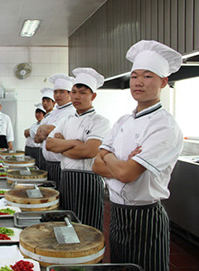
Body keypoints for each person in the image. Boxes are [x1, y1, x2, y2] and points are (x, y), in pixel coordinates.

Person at [92, 40, 183, 271]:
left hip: (145, 219)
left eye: (148, 76)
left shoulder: (165, 126)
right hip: (117, 214)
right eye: (134, 76)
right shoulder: (124, 120)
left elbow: (126, 174)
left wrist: (113, 161)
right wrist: (120, 164)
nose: (139, 82)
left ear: (163, 81)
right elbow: (96, 164)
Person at [46, 68, 110, 231]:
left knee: (88, 230)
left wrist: (63, 145)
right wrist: (75, 143)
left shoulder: (100, 122)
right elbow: (49, 144)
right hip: (66, 179)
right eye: (74, 92)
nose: (76, 96)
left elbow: (89, 151)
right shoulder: (66, 119)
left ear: (93, 96)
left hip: (88, 182)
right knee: (67, 227)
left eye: (82, 93)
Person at [36, 74, 75, 175]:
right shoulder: (54, 112)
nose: (57, 95)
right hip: (48, 163)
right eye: (55, 92)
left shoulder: (71, 111)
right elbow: (37, 137)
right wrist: (44, 130)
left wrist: (45, 130)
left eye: (61, 92)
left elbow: (52, 132)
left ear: (70, 93)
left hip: (61, 164)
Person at [31, 87, 55, 169]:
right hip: (42, 153)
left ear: (54, 103)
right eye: (43, 101)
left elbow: (42, 136)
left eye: (48, 101)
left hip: (53, 158)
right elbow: (36, 139)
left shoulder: (54, 116)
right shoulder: (45, 118)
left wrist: (41, 133)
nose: (45, 103)